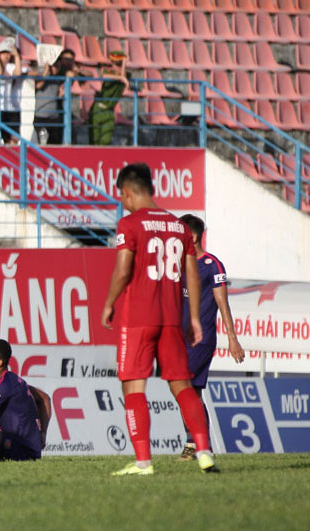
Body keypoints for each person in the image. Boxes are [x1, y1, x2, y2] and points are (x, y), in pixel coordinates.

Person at [101, 163, 217, 475]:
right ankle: (204, 452)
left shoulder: (129, 224)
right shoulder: (179, 226)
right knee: (183, 386)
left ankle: (143, 463)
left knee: (133, 388)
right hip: (170, 318)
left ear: (127, 193)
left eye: (121, 196)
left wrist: (110, 303)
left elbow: (124, 270)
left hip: (138, 317)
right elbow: (192, 272)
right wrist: (193, 317)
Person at [177, 215, 245, 460]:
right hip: (179, 338)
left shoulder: (212, 264)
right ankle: (198, 442)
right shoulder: (178, 263)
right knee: (190, 392)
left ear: (192, 236)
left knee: (186, 388)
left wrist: (232, 338)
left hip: (201, 339)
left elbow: (222, 303)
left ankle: (194, 443)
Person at [34, 48, 78, 145]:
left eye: (58, 66)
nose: (56, 68)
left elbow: (72, 75)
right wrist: (46, 72)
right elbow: (38, 86)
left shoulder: (59, 78)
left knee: (54, 143)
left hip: (54, 117)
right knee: (42, 142)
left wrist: (60, 95)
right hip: (41, 116)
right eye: (54, 66)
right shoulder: (41, 74)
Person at [0, 37, 24, 144]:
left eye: (9, 53)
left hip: (8, 107)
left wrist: (17, 56)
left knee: (13, 140)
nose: (7, 56)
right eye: (4, 53)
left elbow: (18, 73)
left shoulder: (10, 67)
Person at [88, 50, 128, 146]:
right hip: (98, 109)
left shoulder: (126, 75)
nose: (116, 66)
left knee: (106, 141)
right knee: (94, 141)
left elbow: (123, 75)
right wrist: (121, 78)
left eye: (119, 63)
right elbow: (105, 76)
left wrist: (123, 68)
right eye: (115, 63)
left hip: (110, 111)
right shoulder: (108, 71)